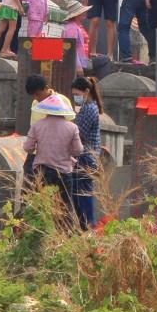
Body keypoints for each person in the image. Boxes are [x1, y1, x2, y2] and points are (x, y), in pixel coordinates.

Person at [23, 93, 82, 220]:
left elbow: (28, 148)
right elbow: (78, 150)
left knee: (41, 205)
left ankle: (42, 233)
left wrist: (38, 147)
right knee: (65, 206)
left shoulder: (37, 126)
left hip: (42, 172)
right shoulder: (72, 127)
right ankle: (65, 234)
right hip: (64, 173)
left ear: (45, 110)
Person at [70, 76, 101, 229]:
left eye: (77, 94)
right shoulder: (88, 107)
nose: (76, 97)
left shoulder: (89, 109)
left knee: (82, 195)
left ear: (87, 91)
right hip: (86, 156)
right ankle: (85, 226)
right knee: (80, 194)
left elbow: (79, 133)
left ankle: (88, 226)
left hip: (85, 157)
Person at [58, 1, 91, 75]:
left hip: (82, 60)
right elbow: (71, 49)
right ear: (77, 15)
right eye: (82, 12)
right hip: (76, 63)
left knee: (103, 60)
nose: (84, 14)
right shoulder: (71, 28)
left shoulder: (75, 26)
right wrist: (78, 66)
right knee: (104, 62)